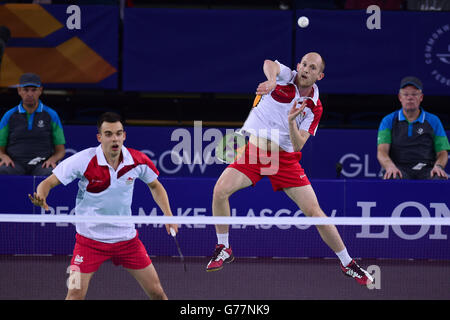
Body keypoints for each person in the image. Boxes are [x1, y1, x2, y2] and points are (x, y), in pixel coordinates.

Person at [207, 52, 374, 286]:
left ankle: (348, 263)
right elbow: (268, 63)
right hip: (253, 152)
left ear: (320, 75)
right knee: (220, 191)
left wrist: (290, 122)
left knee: (314, 212)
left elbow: (298, 144)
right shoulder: (286, 77)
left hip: (284, 159)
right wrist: (273, 80)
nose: (306, 69)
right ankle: (224, 247)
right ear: (298, 66)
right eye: (304, 64)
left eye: (312, 67)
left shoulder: (314, 108)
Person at [28, 112, 178, 300]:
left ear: (124, 135)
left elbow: (155, 186)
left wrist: (168, 215)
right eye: (108, 134)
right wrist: (41, 195)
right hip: (89, 241)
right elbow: (48, 182)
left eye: (118, 133)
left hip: (127, 240)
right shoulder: (84, 160)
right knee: (74, 294)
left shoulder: (137, 160)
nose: (114, 139)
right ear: (100, 137)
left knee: (157, 292)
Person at [377, 76, 450, 180]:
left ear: (421, 97)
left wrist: (438, 166)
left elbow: (443, 152)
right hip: (398, 168)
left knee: (439, 177)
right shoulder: (388, 120)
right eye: (406, 94)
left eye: (414, 94)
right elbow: (382, 151)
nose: (410, 97)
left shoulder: (434, 120)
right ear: (400, 97)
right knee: (392, 177)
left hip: (426, 168)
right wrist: (389, 166)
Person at [0, 73, 66, 175]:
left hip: (42, 165)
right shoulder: (9, 115)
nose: (30, 94)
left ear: (40, 90)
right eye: (26, 90)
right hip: (15, 164)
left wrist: (53, 159)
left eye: (34, 90)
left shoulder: (51, 115)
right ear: (19, 91)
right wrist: (3, 156)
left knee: (50, 172)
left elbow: (60, 151)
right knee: (3, 170)